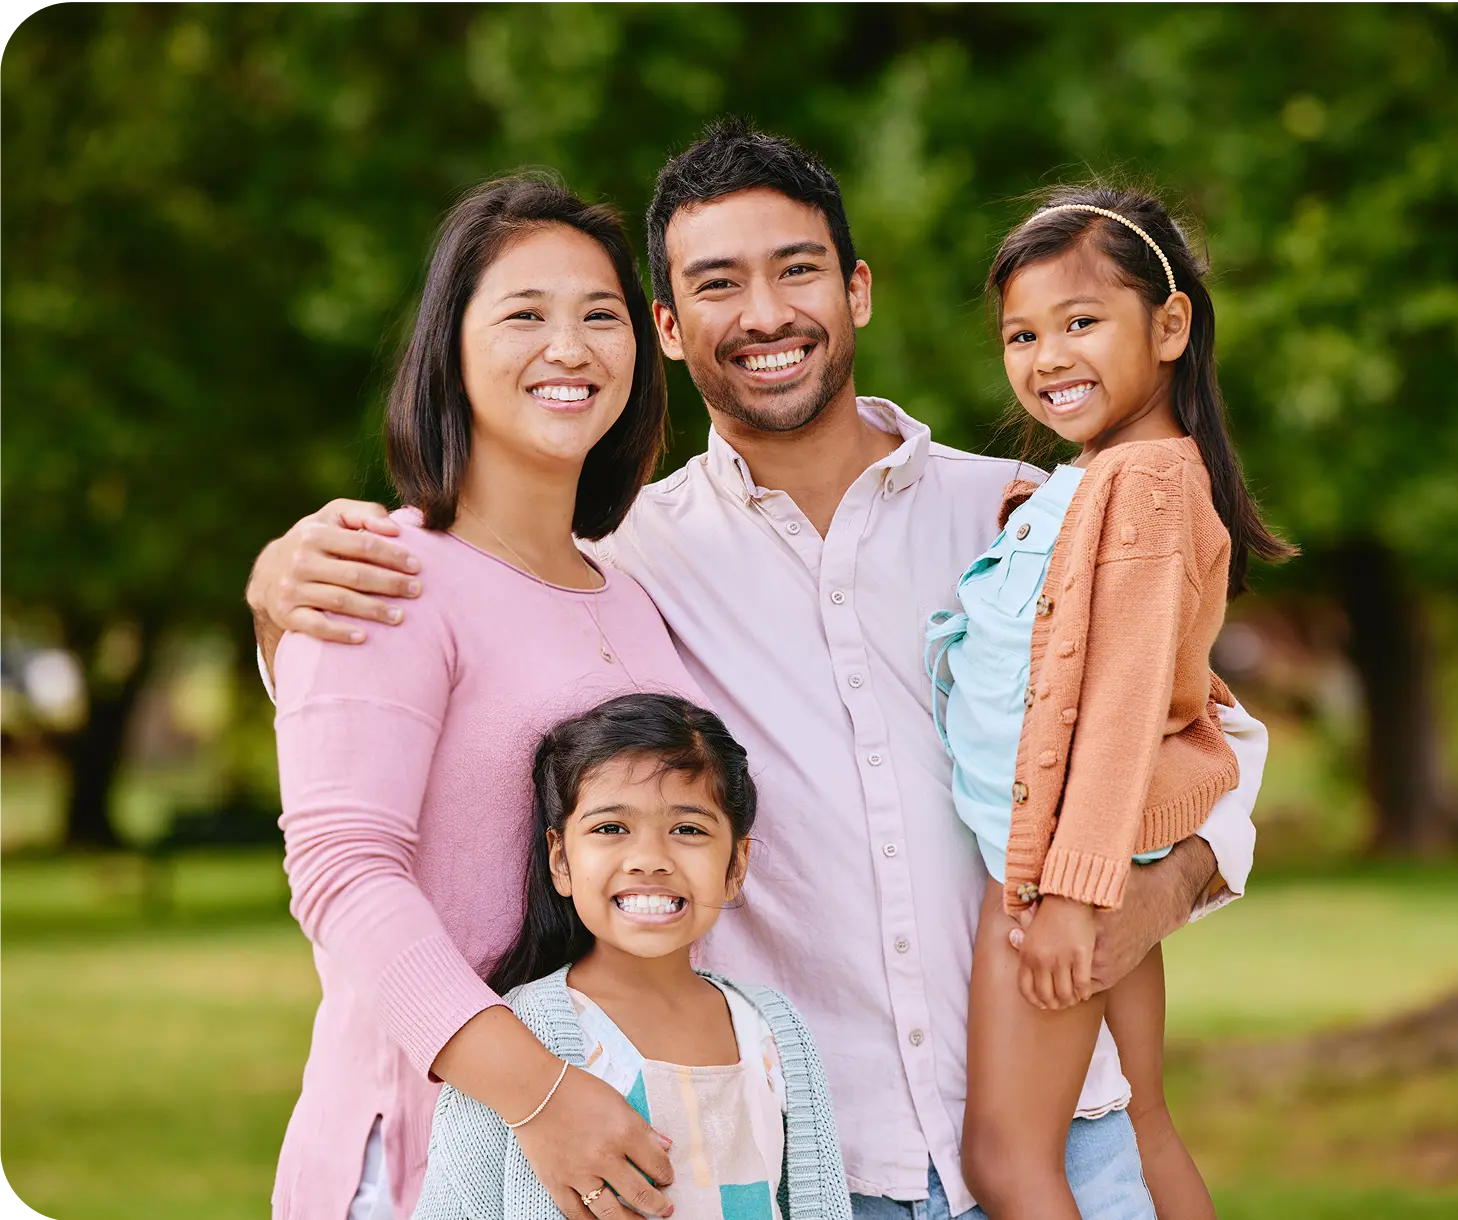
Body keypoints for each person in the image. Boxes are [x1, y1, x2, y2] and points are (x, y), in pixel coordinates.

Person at [249, 119, 1271, 1220]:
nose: (766, 313)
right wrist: (276, 606)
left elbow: (1202, 726)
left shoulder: (1018, 515)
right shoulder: (631, 558)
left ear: (857, 290)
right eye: (717, 284)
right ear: (670, 328)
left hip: (1065, 1138)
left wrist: (1160, 888)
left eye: (798, 270)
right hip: (814, 1163)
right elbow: (402, 732)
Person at [269, 173, 699, 1220]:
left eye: (601, 315)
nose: (570, 347)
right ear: (449, 351)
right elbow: (342, 871)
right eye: (524, 314)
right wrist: (542, 1094)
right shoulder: (379, 574)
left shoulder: (631, 594)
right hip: (433, 1156)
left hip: (616, 1154)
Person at [928, 187, 1296, 1220]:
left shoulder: (1142, 486)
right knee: (1141, 1118)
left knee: (1007, 1160)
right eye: (1022, 335)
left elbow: (1125, 703)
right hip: (1102, 857)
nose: (1048, 357)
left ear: (1169, 326)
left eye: (1080, 321)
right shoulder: (1105, 481)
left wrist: (1070, 895)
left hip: (1061, 872)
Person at [413, 692, 851, 1220]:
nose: (649, 859)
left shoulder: (774, 1030)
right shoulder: (520, 1038)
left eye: (687, 829)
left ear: (736, 865)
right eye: (610, 828)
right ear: (561, 860)